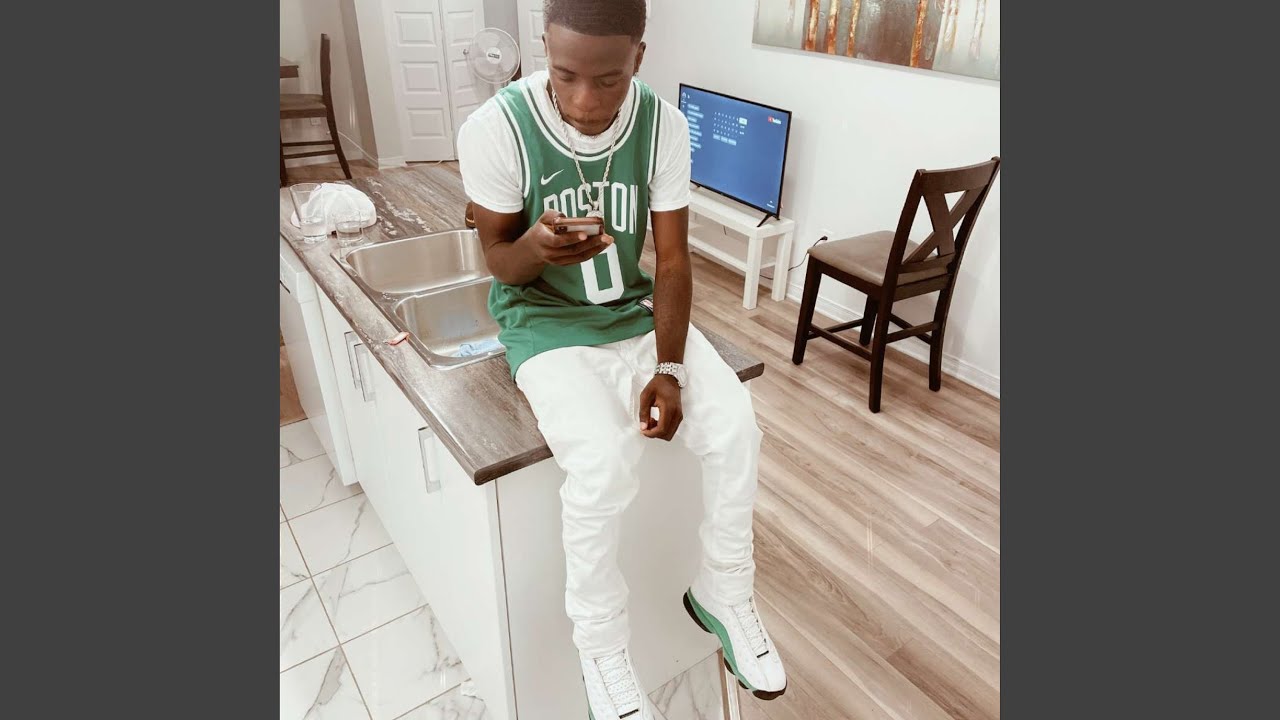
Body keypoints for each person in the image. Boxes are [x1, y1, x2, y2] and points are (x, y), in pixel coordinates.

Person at [456, 1, 786, 716]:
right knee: (603, 464)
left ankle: (725, 589)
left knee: (737, 425)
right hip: (544, 322)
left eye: (607, 79)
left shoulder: (663, 125)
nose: (584, 101)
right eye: (564, 74)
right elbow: (499, 264)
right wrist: (535, 248)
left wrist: (669, 367)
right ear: (543, 48)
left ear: (639, 55)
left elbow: (673, 260)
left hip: (630, 311)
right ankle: (601, 645)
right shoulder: (496, 129)